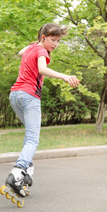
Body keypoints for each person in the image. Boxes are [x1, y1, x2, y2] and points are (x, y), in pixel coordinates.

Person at [5, 23, 80, 198]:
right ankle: (18, 173)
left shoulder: (32, 48)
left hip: (15, 96)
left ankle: (28, 170)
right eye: (53, 40)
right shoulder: (42, 52)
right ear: (44, 37)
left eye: (58, 41)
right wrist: (65, 76)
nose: (56, 44)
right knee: (33, 138)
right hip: (29, 96)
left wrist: (37, 41)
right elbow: (42, 69)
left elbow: (20, 52)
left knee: (30, 134)